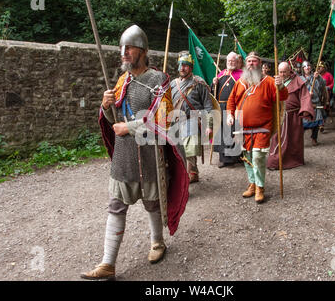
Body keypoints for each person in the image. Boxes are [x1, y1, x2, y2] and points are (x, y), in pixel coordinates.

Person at [81, 25, 189, 280]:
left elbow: (163, 120)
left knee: (152, 203)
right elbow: (112, 119)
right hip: (125, 156)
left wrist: (128, 127)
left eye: (129, 48)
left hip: (149, 154)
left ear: (143, 51)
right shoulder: (122, 81)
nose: (124, 52)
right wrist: (106, 106)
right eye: (122, 48)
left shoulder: (159, 79)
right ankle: (108, 263)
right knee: (116, 205)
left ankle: (157, 242)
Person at [226, 52, 288, 203]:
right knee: (247, 157)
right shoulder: (240, 82)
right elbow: (231, 101)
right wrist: (230, 114)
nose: (251, 64)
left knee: (258, 157)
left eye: (254, 61)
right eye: (249, 61)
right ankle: (252, 184)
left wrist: (280, 87)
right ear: (245, 64)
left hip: (263, 127)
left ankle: (260, 187)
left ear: (259, 64)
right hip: (243, 128)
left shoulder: (269, 81)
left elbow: (283, 97)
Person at [170, 51, 214, 183]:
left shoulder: (199, 83)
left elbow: (208, 105)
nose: (182, 68)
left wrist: (209, 125)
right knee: (177, 150)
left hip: (192, 120)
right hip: (175, 121)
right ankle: (192, 172)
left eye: (186, 65)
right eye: (180, 65)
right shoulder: (173, 84)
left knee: (189, 151)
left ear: (191, 67)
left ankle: (185, 177)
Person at [266, 61, 314, 170]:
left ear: (289, 71)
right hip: (279, 115)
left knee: (294, 140)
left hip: (293, 116)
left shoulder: (298, 81)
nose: (282, 74)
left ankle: (293, 161)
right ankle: (275, 161)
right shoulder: (274, 81)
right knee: (277, 139)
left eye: (284, 72)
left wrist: (306, 109)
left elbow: (305, 96)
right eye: (280, 72)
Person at [211, 52, 243, 168]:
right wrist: (214, 84)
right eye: (229, 61)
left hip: (234, 108)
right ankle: (224, 159)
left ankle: (237, 156)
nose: (231, 63)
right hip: (220, 107)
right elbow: (213, 92)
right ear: (226, 61)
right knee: (222, 133)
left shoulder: (241, 75)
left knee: (234, 132)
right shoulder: (221, 74)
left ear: (237, 62)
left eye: (233, 61)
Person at [301, 61, 328, 146]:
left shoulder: (316, 76)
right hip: (305, 104)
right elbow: (298, 91)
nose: (307, 67)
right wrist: (307, 95)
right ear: (303, 68)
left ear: (311, 67)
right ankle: (299, 140)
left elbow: (324, 84)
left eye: (308, 65)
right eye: (305, 66)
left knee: (316, 123)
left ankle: (314, 138)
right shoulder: (299, 79)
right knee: (303, 123)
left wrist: (318, 78)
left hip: (316, 103)